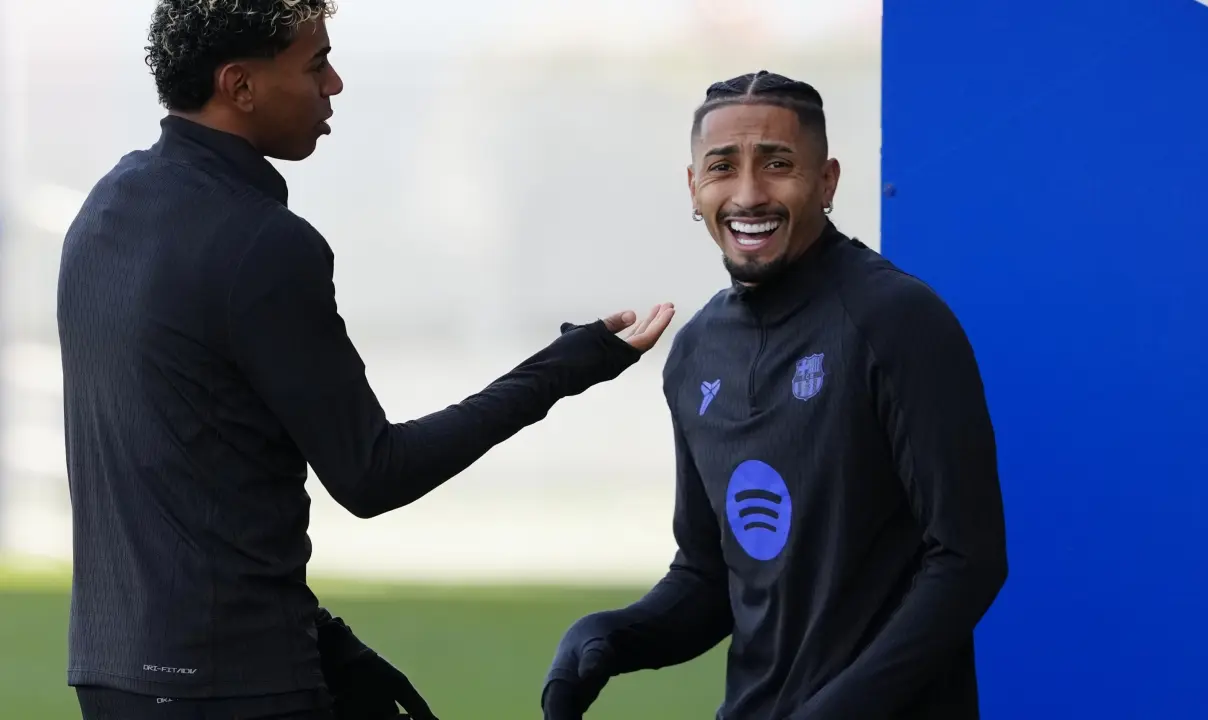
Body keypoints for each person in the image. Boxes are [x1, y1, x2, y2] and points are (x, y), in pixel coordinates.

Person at [55, 2, 675, 719]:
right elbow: (373, 474)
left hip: (110, 675)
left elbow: (194, 478)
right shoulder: (263, 244)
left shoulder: (104, 209)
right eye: (315, 64)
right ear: (240, 85)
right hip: (236, 686)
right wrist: (564, 368)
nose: (335, 84)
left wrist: (321, 642)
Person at [541, 71, 1008, 720]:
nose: (748, 194)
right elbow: (708, 576)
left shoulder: (898, 321)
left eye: (778, 164)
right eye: (722, 168)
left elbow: (966, 560)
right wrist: (609, 636)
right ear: (693, 187)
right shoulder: (696, 350)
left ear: (827, 181)